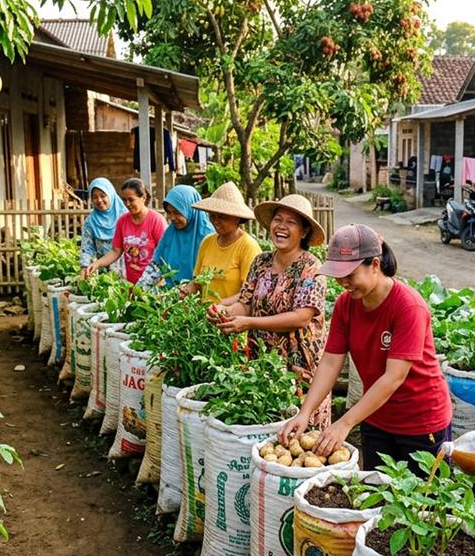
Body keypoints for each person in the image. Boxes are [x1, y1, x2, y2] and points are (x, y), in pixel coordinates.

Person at [278, 224, 453, 470]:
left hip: (420, 423)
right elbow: (330, 362)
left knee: (421, 504)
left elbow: (393, 378)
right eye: (339, 275)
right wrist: (305, 412)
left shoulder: (408, 306)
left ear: (374, 265)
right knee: (376, 497)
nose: (344, 283)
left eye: (350, 275)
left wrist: (345, 423)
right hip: (375, 416)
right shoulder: (345, 305)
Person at [207, 194, 329, 426]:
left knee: (302, 437)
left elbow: (301, 317)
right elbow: (246, 303)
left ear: (303, 232)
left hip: (299, 367)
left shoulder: (311, 267)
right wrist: (224, 312)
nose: (281, 227)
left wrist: (249, 323)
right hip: (263, 363)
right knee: (267, 428)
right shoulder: (261, 262)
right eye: (277, 220)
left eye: (291, 222)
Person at [183, 182, 263, 301]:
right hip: (205, 315)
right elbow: (198, 283)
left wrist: (220, 306)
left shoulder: (247, 246)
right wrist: (186, 290)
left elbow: (250, 293)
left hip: (233, 315)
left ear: (237, 218)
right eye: (212, 216)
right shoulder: (207, 242)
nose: (216, 221)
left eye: (222, 217)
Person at [84, 178, 166, 284]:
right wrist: (97, 264)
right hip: (131, 284)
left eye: (131, 200)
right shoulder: (122, 221)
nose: (127, 204)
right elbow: (116, 251)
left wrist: (161, 281)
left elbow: (165, 253)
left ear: (143, 198)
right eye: (124, 200)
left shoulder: (156, 220)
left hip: (154, 283)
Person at [137, 185, 214, 289]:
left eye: (177, 213)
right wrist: (139, 290)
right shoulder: (171, 233)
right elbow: (157, 265)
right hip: (173, 297)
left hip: (200, 298)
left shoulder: (209, 236)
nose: (172, 218)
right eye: (169, 212)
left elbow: (210, 275)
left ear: (190, 209)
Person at [79, 178, 126, 270]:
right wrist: (84, 267)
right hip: (104, 271)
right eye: (95, 197)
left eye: (103, 195)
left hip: (128, 270)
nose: (99, 200)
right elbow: (87, 247)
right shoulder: (90, 221)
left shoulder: (125, 217)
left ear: (110, 194)